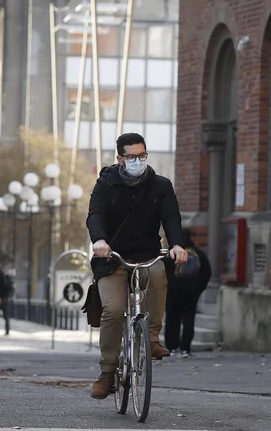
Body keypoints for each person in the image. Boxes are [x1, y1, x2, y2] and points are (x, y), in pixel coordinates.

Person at [86, 132, 188, 400]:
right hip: (111, 258)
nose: (137, 161)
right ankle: (107, 372)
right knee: (113, 310)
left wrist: (177, 244)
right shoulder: (105, 184)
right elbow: (95, 215)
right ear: (120, 159)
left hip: (147, 255)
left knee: (158, 276)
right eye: (131, 157)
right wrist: (99, 240)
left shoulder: (160, 185)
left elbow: (171, 217)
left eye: (142, 156)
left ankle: (152, 338)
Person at [164, 229, 212, 358]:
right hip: (191, 293)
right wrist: (198, 289)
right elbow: (207, 273)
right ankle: (185, 348)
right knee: (188, 320)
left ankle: (171, 347)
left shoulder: (171, 254)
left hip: (172, 292)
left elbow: (163, 273)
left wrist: (166, 288)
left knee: (171, 319)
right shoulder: (198, 253)